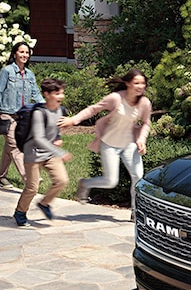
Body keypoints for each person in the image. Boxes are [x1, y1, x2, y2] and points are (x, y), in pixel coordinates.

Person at [60, 70, 152, 209]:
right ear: (127, 83)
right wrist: (73, 120)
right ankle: (85, 183)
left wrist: (141, 140)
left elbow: (146, 122)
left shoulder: (144, 102)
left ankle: (135, 211)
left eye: (143, 83)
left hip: (129, 144)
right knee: (110, 181)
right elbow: (93, 109)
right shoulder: (116, 98)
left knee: (138, 177)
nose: (140, 86)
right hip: (110, 143)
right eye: (136, 83)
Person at [14, 78, 71, 227]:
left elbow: (55, 129)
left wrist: (57, 138)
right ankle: (20, 212)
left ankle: (45, 203)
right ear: (46, 94)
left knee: (62, 180)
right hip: (33, 153)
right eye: (57, 93)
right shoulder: (39, 113)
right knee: (32, 188)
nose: (61, 97)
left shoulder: (60, 110)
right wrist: (59, 151)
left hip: (50, 153)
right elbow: (39, 138)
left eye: (62, 93)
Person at [0, 41, 42, 189]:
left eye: (27, 52)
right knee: (16, 147)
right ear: (14, 54)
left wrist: (48, 108)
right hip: (7, 115)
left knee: (9, 148)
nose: (25, 55)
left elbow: (36, 94)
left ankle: (1, 177)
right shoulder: (7, 71)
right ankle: (29, 179)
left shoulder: (30, 74)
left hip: (22, 117)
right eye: (21, 52)